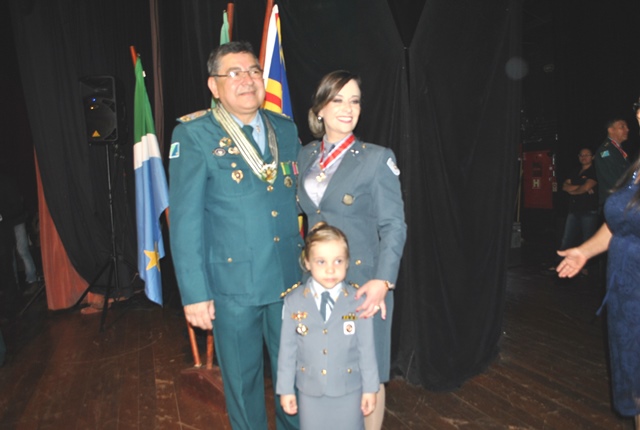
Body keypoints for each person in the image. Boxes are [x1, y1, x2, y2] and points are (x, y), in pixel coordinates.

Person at [168, 41, 302, 430]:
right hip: (233, 286)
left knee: (294, 379)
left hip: (289, 279)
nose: (248, 79)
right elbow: (186, 221)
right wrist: (194, 294)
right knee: (243, 385)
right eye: (234, 73)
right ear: (214, 86)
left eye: (254, 71)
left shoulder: (285, 129)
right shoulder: (194, 135)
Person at [296, 70, 407, 430]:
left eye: (355, 100)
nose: (348, 108)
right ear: (320, 109)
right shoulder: (305, 155)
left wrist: (383, 281)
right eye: (338, 99)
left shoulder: (376, 158)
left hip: (363, 285)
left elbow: (394, 226)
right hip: (315, 286)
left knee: (366, 379)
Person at [556, 107, 640, 427]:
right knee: (635, 383)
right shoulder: (630, 162)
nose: (634, 122)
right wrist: (584, 251)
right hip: (626, 292)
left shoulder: (612, 155)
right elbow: (623, 218)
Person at [277, 222, 379, 430]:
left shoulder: (358, 301)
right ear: (307, 262)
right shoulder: (293, 301)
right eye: (321, 261)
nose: (330, 269)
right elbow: (287, 351)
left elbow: (366, 350)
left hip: (349, 390)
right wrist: (285, 390)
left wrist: (370, 388)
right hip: (310, 392)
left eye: (338, 261)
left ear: (347, 262)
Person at [557, 148, 598, 274]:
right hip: (574, 210)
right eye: (581, 155)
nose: (583, 157)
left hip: (589, 210)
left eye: (587, 155)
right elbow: (564, 186)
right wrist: (580, 187)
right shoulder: (575, 171)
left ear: (592, 157)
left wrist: (575, 190)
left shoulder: (595, 171)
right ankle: (561, 264)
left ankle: (586, 267)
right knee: (566, 239)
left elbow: (586, 187)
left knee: (587, 240)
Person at [594, 118, 630, 207]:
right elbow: (612, 180)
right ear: (611, 130)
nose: (627, 129)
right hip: (615, 202)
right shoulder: (606, 151)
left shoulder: (616, 149)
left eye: (626, 127)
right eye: (622, 127)